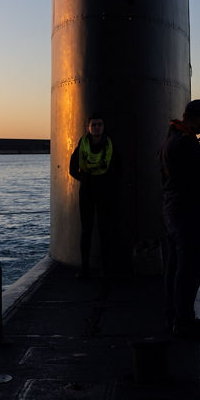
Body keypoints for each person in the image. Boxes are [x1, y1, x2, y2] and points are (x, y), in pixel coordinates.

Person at [158, 99, 200, 340]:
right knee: (189, 268)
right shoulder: (185, 143)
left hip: (172, 210)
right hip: (188, 212)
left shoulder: (170, 140)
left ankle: (172, 315)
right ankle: (184, 321)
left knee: (174, 266)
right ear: (196, 119)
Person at [68, 115, 122, 278]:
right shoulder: (81, 148)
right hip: (87, 192)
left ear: (103, 127)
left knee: (105, 231)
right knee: (87, 231)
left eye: (100, 124)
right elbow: (72, 169)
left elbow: (118, 168)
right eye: (94, 125)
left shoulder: (110, 147)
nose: (97, 127)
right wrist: (87, 179)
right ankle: (85, 269)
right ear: (88, 128)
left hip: (104, 192)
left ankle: (106, 269)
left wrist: (106, 181)